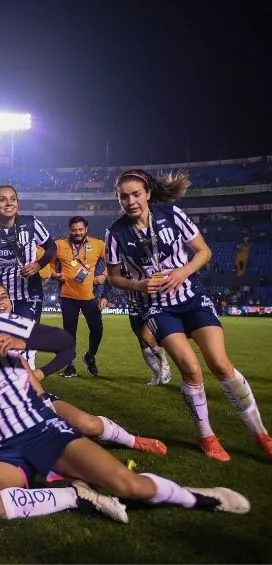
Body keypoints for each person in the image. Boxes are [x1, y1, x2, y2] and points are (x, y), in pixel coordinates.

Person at [0, 278, 250, 522]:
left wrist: (20, 340)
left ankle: (200, 497)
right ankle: (74, 496)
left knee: (130, 487)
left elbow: (64, 341)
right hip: (2, 450)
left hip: (46, 433)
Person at [105, 168, 272, 461]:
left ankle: (261, 435)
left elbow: (204, 251)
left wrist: (183, 272)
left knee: (221, 365)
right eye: (124, 197)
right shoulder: (115, 232)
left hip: (193, 299)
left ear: (148, 193)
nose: (131, 201)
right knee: (191, 370)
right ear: (118, 199)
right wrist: (139, 285)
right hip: (158, 307)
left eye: (136, 194)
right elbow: (114, 276)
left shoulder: (172, 214)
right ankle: (207, 436)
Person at [0, 283, 168, 457]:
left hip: (32, 396)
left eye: (4, 296)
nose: (0, 302)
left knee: (90, 425)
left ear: (11, 301)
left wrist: (40, 372)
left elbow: (68, 349)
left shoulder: (24, 327)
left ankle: (133, 441)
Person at [0, 187, 56, 367]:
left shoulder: (32, 223)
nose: (9, 203)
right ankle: (0, 377)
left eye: (13, 199)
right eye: (2, 199)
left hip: (29, 295)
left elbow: (52, 247)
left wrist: (39, 264)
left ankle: (28, 378)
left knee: (25, 339)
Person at [50, 216, 107, 377]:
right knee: (69, 333)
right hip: (68, 296)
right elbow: (50, 263)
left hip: (90, 296)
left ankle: (90, 356)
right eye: (74, 230)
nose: (77, 232)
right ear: (70, 230)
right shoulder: (59, 244)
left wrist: (104, 275)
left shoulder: (98, 244)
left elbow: (113, 262)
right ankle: (70, 365)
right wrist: (54, 274)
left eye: (80, 229)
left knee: (97, 329)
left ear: (86, 229)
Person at [100, 271, 172, 386]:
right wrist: (104, 296)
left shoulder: (144, 262)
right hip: (133, 306)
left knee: (147, 336)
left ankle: (165, 364)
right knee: (142, 342)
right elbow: (111, 279)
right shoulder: (121, 265)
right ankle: (156, 373)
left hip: (150, 304)